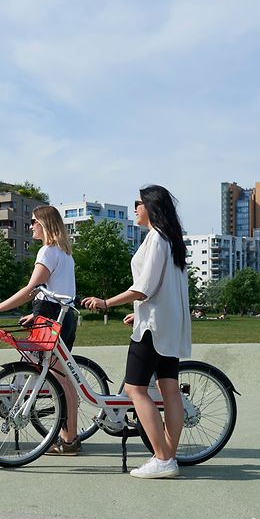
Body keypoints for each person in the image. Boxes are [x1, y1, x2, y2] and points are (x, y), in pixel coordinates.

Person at [82, 185, 191, 479]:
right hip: (167, 324)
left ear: (151, 207)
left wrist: (106, 302)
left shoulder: (157, 239)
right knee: (169, 389)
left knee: (135, 389)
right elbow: (163, 289)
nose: (135, 209)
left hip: (153, 329)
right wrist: (139, 311)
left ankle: (162, 457)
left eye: (137, 203)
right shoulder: (171, 240)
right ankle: (168, 455)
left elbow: (143, 288)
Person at [0, 205, 81, 455]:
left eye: (33, 222)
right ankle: (70, 437)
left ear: (45, 224)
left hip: (51, 321)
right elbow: (58, 294)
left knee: (58, 379)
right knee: (63, 378)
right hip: (63, 318)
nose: (30, 226)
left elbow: (32, 289)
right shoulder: (64, 253)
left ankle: (69, 440)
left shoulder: (47, 252)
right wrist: (34, 314)